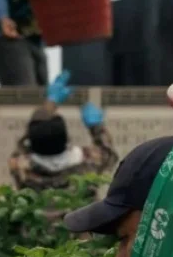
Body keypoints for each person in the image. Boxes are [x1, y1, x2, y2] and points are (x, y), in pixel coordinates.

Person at [8, 70, 117, 200]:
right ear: (67, 141)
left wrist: (50, 103)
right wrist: (96, 126)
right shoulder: (88, 162)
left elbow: (26, 140)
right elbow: (108, 152)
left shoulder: (21, 167)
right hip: (80, 220)